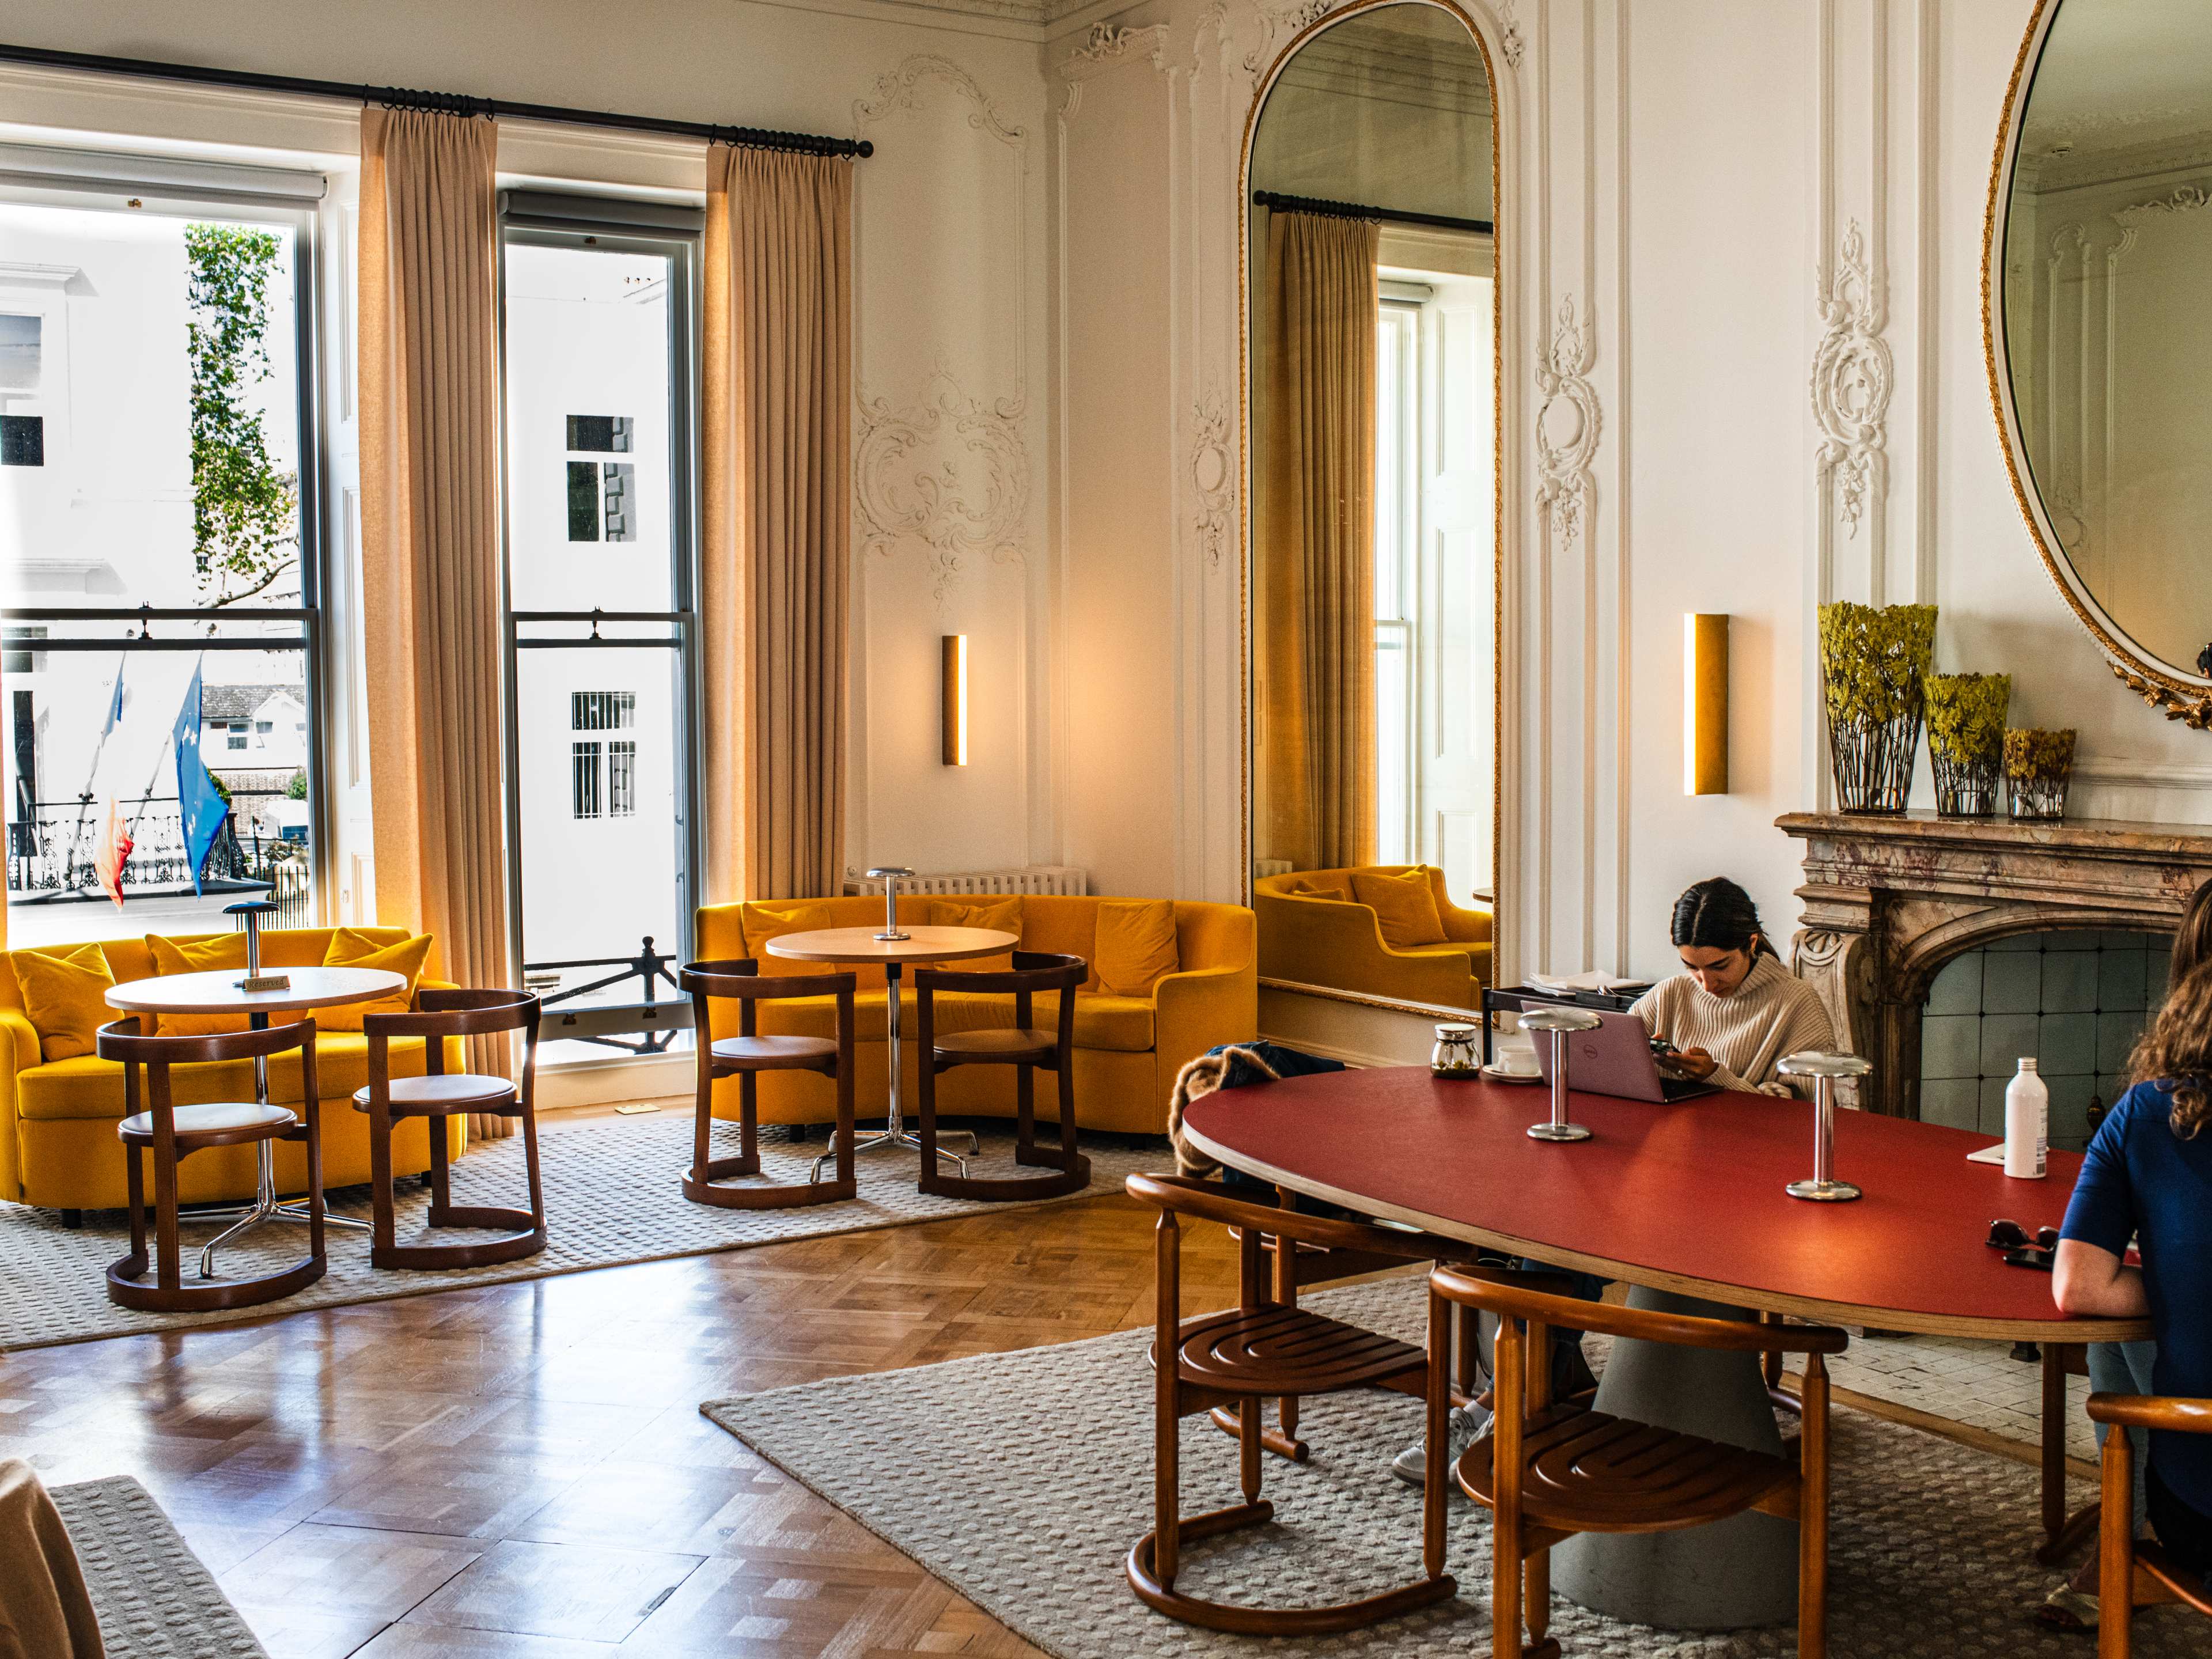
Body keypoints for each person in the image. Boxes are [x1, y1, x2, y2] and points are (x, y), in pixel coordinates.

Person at [2039, 878, 2212, 1630]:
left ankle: (2118, 1555)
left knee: (2127, 1374)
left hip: (2202, 1498)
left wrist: (2184, 1284)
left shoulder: (2146, 1114)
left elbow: (2076, 1285)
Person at [1633, 877, 1838, 1098]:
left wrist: (1713, 1076)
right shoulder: (1669, 994)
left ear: (1751, 943)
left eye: (1720, 966)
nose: (1707, 985)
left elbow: (1802, 1115)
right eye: (1692, 967)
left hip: (1748, 1132)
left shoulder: (1796, 1001)